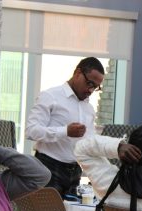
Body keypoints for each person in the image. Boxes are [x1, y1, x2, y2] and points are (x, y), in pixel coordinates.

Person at [26, 57, 105, 197]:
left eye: (96, 87)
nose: (91, 90)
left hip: (75, 171)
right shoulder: (50, 96)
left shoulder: (89, 109)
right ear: (78, 73)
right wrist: (65, 131)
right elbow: (31, 131)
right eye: (90, 83)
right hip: (48, 167)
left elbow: (89, 142)